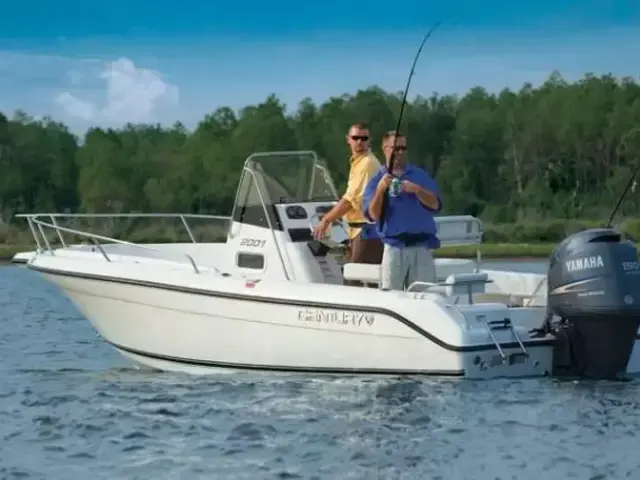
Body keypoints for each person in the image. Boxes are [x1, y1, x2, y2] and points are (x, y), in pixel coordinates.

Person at [361, 130, 442, 291]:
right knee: (392, 296)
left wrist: (417, 190)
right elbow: (373, 215)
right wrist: (380, 190)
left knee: (425, 296)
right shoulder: (377, 180)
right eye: (395, 148)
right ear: (385, 149)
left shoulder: (419, 175)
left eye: (403, 148)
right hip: (394, 247)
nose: (399, 152)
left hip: (421, 246)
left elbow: (435, 205)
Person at [312, 123, 384, 285]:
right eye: (356, 138)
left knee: (353, 280)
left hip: (367, 232)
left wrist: (326, 220)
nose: (360, 142)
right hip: (358, 231)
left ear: (369, 141)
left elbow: (350, 202)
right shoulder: (357, 162)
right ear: (348, 140)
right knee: (363, 280)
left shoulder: (366, 164)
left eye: (364, 138)